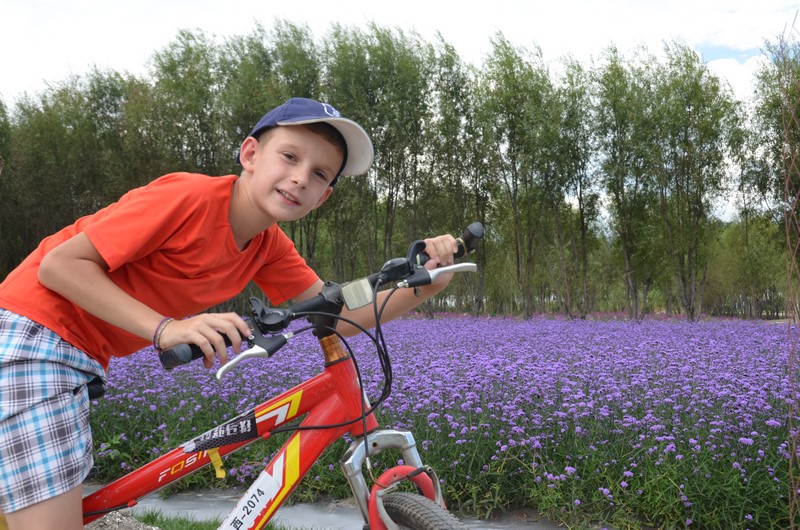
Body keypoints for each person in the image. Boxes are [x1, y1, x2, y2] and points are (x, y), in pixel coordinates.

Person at [0, 97, 458, 529]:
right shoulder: (190, 197)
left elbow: (336, 315)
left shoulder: (267, 245)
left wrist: (428, 283)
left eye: (319, 174)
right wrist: (166, 329)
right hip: (32, 335)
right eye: (290, 157)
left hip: (74, 355)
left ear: (323, 197)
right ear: (250, 154)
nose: (301, 178)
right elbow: (60, 266)